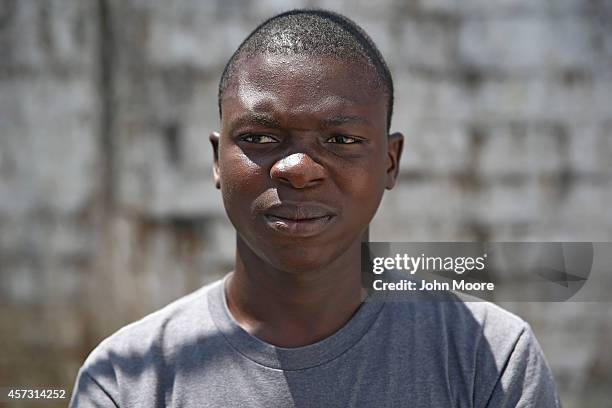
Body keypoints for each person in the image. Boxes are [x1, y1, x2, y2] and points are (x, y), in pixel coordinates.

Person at [70, 9, 561, 407]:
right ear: (217, 160)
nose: (299, 168)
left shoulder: (489, 359)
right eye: (260, 138)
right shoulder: (126, 380)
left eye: (342, 139)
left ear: (390, 163)